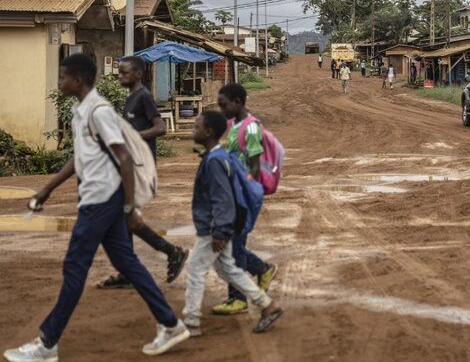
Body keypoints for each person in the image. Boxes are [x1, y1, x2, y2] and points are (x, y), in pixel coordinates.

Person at [4, 54, 189, 362]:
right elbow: (80, 157)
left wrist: (130, 207)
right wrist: (47, 190)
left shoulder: (99, 111)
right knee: (127, 262)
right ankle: (170, 324)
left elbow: (124, 158)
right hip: (100, 199)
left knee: (74, 268)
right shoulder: (81, 110)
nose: (60, 82)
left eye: (63, 77)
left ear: (77, 80)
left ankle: (47, 344)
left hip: (101, 201)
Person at [183, 110, 283, 336]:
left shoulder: (216, 161)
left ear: (208, 132)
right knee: (229, 268)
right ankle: (268, 305)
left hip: (214, 228)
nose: (193, 129)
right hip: (220, 226)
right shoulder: (217, 157)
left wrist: (220, 231)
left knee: (196, 270)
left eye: (196, 126)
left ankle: (190, 322)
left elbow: (223, 199)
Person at [96, 56, 187, 290]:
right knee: (124, 218)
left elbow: (160, 128)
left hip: (140, 167)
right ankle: (129, 271)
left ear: (138, 74)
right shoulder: (130, 99)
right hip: (131, 165)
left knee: (126, 216)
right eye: (120, 72)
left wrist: (132, 138)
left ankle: (171, 251)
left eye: (125, 73)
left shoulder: (143, 97)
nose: (120, 76)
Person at [213, 84, 278, 316]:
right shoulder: (234, 124)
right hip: (233, 192)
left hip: (242, 195)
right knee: (235, 245)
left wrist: (246, 192)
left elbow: (254, 164)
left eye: (224, 105)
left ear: (238, 102)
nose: (222, 110)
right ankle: (262, 269)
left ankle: (237, 298)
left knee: (234, 246)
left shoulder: (250, 129)